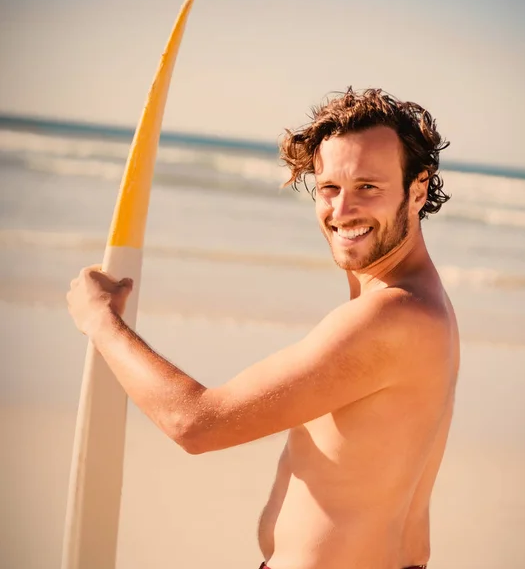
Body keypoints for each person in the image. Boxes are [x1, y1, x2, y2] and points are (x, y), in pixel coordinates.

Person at [67, 87, 459, 569]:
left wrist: (101, 321)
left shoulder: (392, 316)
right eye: (330, 187)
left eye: (368, 187)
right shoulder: (416, 301)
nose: (341, 210)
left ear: (417, 189)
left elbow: (196, 423)